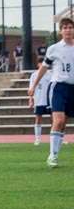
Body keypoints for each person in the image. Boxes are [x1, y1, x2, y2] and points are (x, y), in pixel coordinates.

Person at [29, 17, 74, 167]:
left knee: (64, 123)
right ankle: (52, 156)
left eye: (70, 27)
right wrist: (33, 86)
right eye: (65, 27)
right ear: (61, 31)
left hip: (72, 88)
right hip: (58, 87)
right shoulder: (54, 48)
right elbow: (44, 68)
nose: (68, 30)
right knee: (58, 120)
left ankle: (55, 152)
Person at [29, 63, 53, 146]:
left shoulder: (51, 74)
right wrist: (31, 100)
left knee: (54, 119)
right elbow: (31, 88)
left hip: (49, 101)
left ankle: (55, 138)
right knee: (38, 119)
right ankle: (37, 139)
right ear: (38, 64)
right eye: (42, 64)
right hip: (39, 100)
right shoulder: (34, 75)